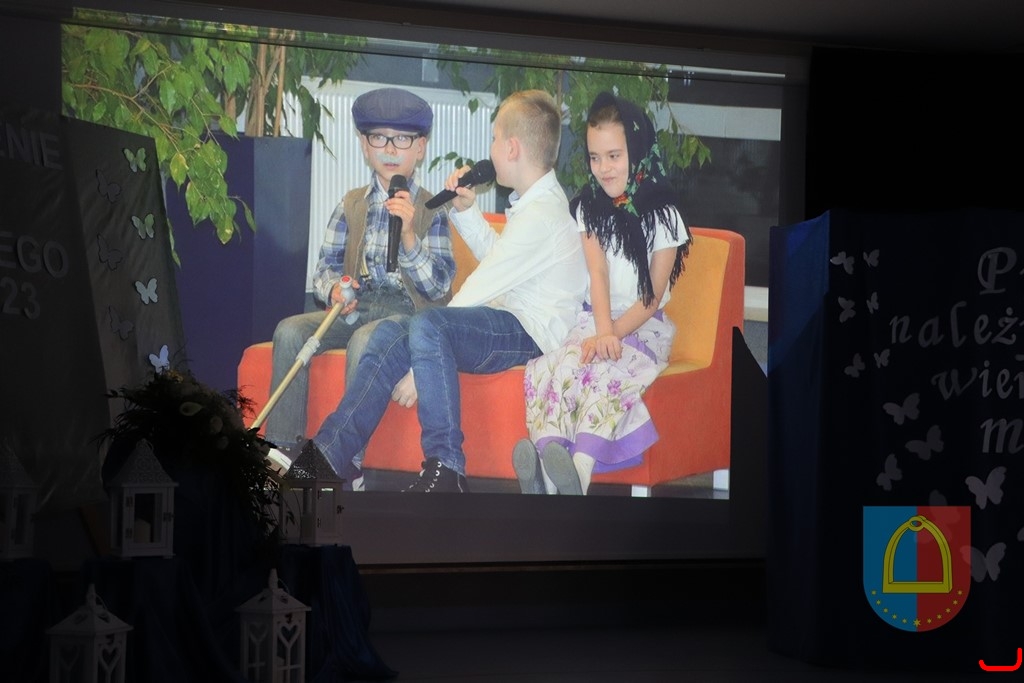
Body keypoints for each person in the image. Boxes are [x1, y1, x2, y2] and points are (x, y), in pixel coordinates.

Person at [293, 89, 588, 492]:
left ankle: (446, 466)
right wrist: (465, 210)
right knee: (388, 333)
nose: (491, 149)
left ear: (512, 148)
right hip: (510, 318)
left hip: (530, 333)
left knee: (428, 325)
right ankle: (327, 456)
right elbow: (501, 258)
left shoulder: (543, 215)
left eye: (494, 139)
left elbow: (481, 286)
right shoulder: (535, 203)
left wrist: (419, 366)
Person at [264, 88, 455, 489]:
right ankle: (282, 448)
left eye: (403, 139)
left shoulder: (433, 208)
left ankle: (348, 464)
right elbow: (325, 268)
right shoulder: (351, 203)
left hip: (406, 314)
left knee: (365, 341)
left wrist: (408, 238)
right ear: (365, 146)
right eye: (379, 138)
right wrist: (334, 288)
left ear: (420, 148)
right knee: (289, 330)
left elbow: (439, 285)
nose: (391, 149)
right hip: (357, 306)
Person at [512, 91, 691, 496]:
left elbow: (651, 296)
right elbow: (598, 273)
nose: (603, 168)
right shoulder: (589, 208)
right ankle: (544, 473)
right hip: (595, 317)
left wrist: (613, 333)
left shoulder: (664, 215)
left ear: (637, 151)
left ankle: (580, 471)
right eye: (595, 157)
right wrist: (601, 329)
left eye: (614, 156)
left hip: (642, 326)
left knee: (605, 373)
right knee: (561, 366)